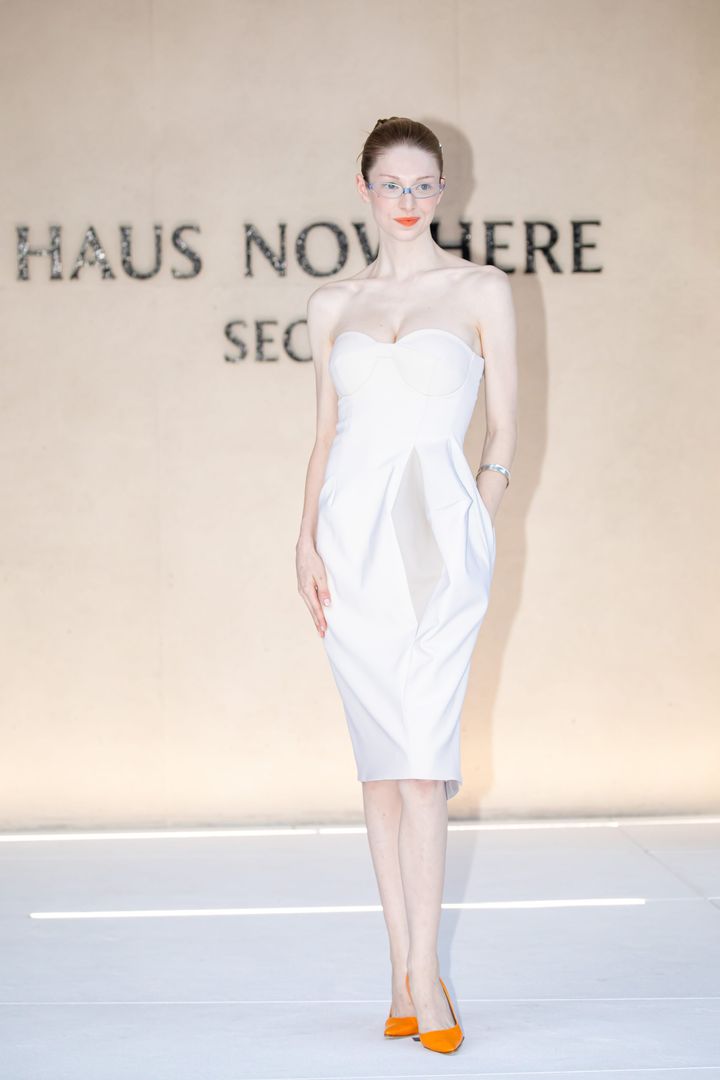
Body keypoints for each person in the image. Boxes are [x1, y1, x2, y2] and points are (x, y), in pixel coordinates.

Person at [295, 116, 518, 1054]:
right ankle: (400, 972)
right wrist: (303, 541)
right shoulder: (331, 304)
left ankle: (426, 977)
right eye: (392, 184)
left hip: (440, 541)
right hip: (349, 545)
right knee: (382, 772)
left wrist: (479, 517)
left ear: (442, 190)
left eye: (425, 184)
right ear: (365, 189)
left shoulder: (479, 288)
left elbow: (504, 427)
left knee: (424, 765)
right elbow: (325, 434)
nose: (409, 201)